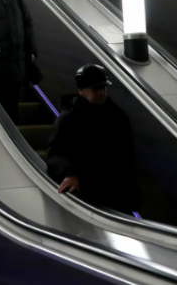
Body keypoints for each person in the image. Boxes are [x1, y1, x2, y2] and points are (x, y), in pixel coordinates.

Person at [46, 64, 140, 213]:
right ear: (81, 90)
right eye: (96, 89)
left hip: (117, 196)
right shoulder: (68, 119)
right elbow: (54, 155)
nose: (102, 92)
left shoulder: (118, 117)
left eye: (104, 88)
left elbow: (127, 159)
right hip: (86, 194)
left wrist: (131, 196)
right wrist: (70, 173)